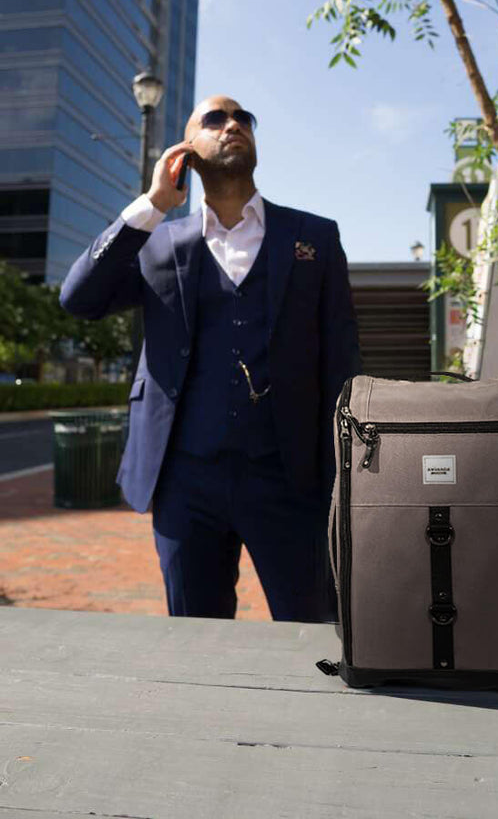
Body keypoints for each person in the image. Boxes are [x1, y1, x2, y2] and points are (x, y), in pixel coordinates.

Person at [60, 94, 361, 622]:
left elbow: (342, 360)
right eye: (214, 119)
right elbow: (78, 298)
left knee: (313, 633)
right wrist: (152, 204)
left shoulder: (312, 236)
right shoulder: (158, 242)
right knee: (196, 642)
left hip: (289, 479)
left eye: (243, 118)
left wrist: (344, 469)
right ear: (187, 151)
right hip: (185, 481)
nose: (233, 125)